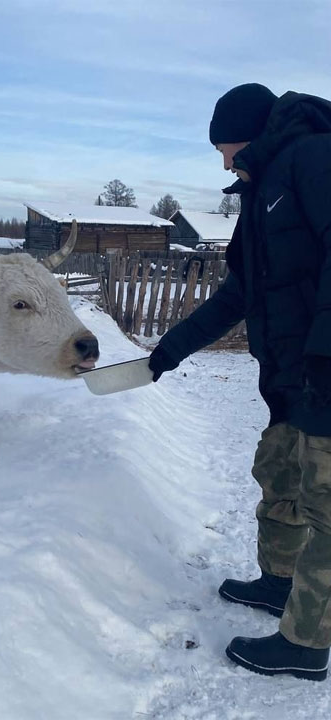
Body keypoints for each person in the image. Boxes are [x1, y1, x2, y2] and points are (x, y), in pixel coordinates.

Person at [149, 83, 331, 681]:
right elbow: (238, 294)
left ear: (250, 132)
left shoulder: (313, 158)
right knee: (279, 474)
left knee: (327, 504)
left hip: (322, 369)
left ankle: (307, 643)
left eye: (225, 150)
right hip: (288, 377)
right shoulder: (260, 195)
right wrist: (167, 351)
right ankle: (281, 584)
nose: (223, 162)